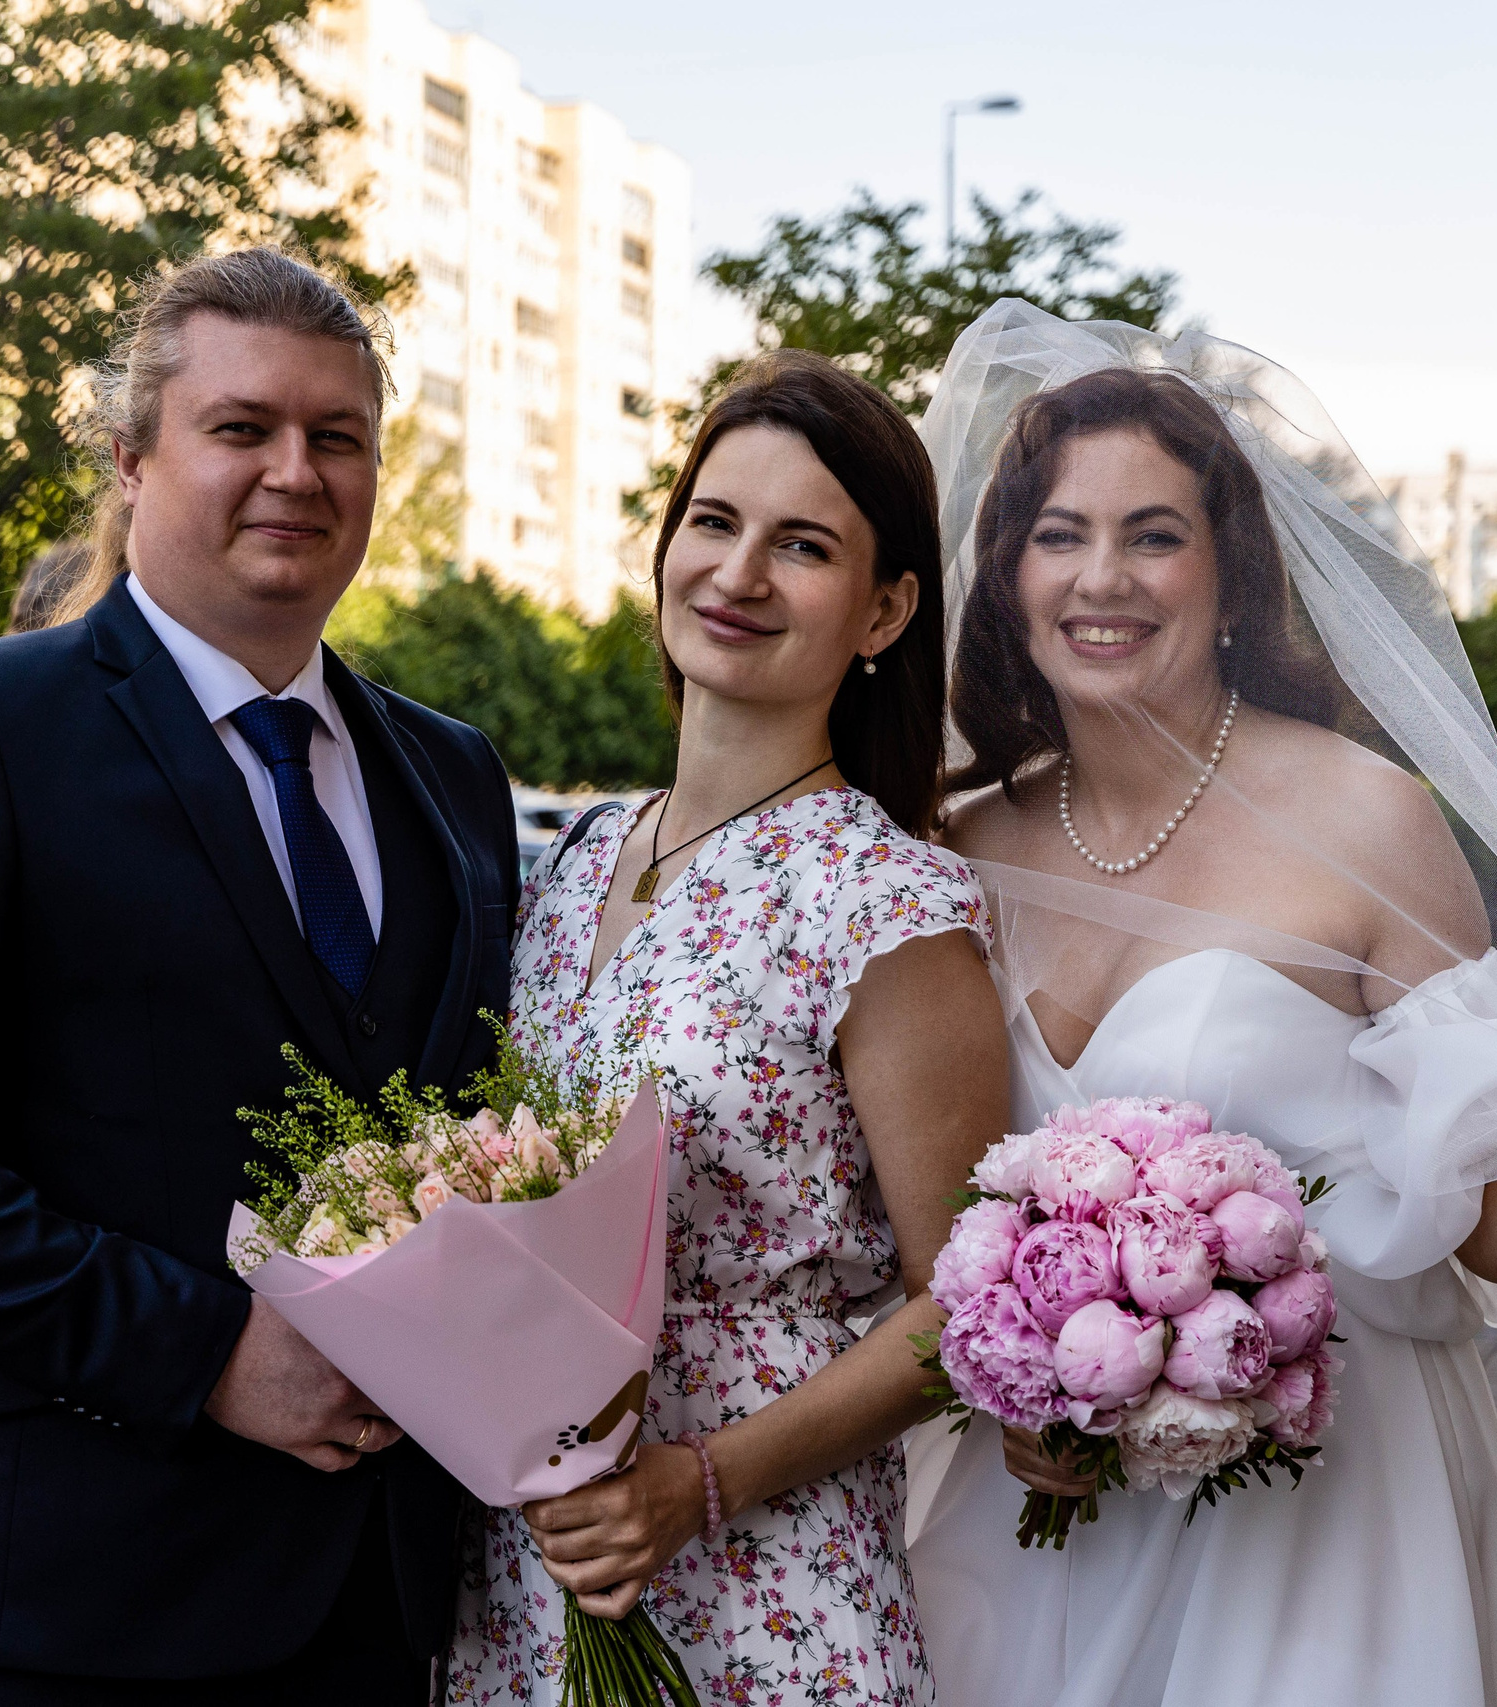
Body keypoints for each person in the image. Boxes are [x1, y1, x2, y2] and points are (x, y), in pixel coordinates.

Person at [902, 303, 1497, 1706]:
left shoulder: (1368, 819)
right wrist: (1012, 1389)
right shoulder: (955, 850)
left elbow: (1492, 1217)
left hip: (1325, 1527)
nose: (1105, 576)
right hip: (1049, 1527)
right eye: (1060, 535)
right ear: (1008, 574)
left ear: (1230, 578)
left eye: (1155, 533)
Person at [0, 246, 518, 1705]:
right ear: (132, 454)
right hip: (48, 1611)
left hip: (374, 1604)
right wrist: (207, 1350)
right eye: (242, 429)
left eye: (336, 436)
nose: (295, 471)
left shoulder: (453, 772)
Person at [442, 351, 1007, 1707]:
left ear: (882, 610)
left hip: (765, 1574)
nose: (739, 573)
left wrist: (694, 1487)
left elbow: (967, 1305)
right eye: (714, 521)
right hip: (536, 1561)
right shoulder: (573, 857)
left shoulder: (889, 903)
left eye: (802, 546)